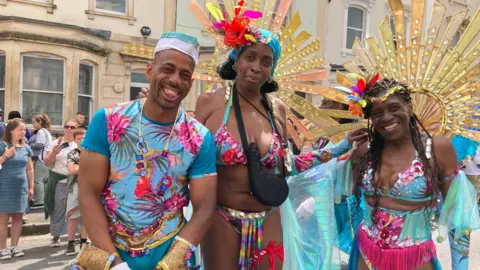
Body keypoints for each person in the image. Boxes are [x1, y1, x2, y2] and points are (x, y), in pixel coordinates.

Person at [77, 32, 217, 270]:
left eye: (185, 75)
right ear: (150, 71)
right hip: (109, 249)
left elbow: (204, 207)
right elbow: (88, 192)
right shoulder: (108, 120)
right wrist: (115, 264)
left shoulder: (199, 138)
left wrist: (173, 260)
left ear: (191, 83)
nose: (175, 80)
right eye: (168, 69)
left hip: (170, 251)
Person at [319, 78, 480, 269]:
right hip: (365, 256)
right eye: (377, 113)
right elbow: (342, 196)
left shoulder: (436, 148)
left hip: (415, 260)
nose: (386, 117)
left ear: (410, 108)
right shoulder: (365, 150)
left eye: (394, 108)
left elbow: (458, 218)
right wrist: (342, 151)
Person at [0, 118, 34, 260]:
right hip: (4, 187)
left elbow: (30, 168)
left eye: (24, 129)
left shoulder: (26, 147)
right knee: (3, 219)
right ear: (11, 130)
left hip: (21, 188)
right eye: (20, 129)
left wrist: (31, 187)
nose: (23, 132)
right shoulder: (2, 146)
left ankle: (14, 246)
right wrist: (5, 156)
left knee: (18, 218)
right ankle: (2, 249)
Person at [44, 119, 78, 247]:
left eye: (72, 127)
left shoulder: (78, 144)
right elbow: (47, 163)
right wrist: (54, 152)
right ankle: (56, 236)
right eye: (67, 126)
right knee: (57, 209)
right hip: (59, 180)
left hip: (74, 181)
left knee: (75, 210)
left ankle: (74, 237)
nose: (69, 129)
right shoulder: (55, 143)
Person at [65, 127, 88, 256]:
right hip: (75, 188)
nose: (82, 140)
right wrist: (88, 167)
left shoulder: (91, 152)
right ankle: (70, 243)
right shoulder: (72, 153)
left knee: (86, 217)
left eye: (84, 137)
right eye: (79, 138)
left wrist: (79, 167)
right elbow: (71, 170)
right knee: (73, 217)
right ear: (74, 140)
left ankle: (83, 242)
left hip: (89, 188)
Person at [28, 113, 52, 207]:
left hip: (41, 158)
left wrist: (29, 145)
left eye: (34, 122)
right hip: (46, 158)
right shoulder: (46, 131)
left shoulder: (41, 131)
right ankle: (44, 199)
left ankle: (39, 200)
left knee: (37, 180)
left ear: (39, 122)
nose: (33, 124)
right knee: (45, 180)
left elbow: (40, 145)